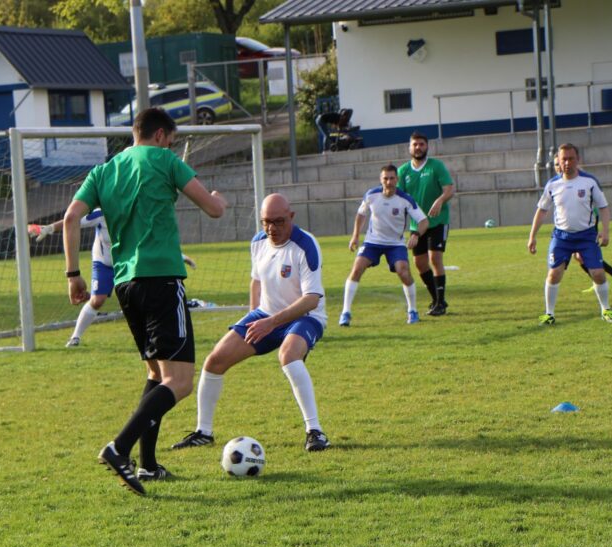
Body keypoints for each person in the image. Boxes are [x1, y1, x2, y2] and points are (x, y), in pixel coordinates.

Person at [62, 107, 226, 497]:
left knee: (156, 373)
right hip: (162, 278)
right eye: (170, 140)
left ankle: (148, 464)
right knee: (180, 382)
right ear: (160, 135)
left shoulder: (103, 171)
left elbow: (70, 218)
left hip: (125, 284)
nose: (170, 146)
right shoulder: (165, 160)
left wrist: (73, 274)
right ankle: (119, 448)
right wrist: (217, 197)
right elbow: (214, 209)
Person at [172, 193, 331, 453]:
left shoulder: (305, 245)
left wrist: (271, 323)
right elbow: (256, 281)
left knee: (288, 355)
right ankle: (203, 432)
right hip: (265, 314)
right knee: (215, 360)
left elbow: (312, 299)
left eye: (278, 221)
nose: (272, 228)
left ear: (291, 216)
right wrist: (252, 316)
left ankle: (315, 431)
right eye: (266, 222)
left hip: (305, 317)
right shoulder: (258, 242)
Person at [32, 214, 197, 348]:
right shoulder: (101, 213)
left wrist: (179, 256)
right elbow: (72, 220)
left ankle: (152, 333)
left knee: (140, 295)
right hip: (103, 263)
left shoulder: (136, 213)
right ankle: (75, 337)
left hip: (127, 262)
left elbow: (153, 241)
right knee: (97, 300)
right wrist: (49, 228)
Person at [527, 143, 612, 324]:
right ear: (559, 161)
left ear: (578, 159)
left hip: (586, 236)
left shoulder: (589, 182)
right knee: (554, 274)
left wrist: (605, 231)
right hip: (562, 237)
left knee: (598, 273)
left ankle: (606, 309)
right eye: (564, 159)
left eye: (570, 159)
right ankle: (549, 314)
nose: (567, 163)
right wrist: (532, 236)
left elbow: (603, 207)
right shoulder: (553, 184)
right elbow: (542, 210)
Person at [339, 164, 429, 326]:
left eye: (392, 178)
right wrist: (355, 236)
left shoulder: (405, 199)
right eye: (385, 178)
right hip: (372, 242)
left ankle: (413, 310)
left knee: (403, 271)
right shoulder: (371, 195)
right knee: (357, 268)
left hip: (396, 244)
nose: (389, 182)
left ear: (397, 179)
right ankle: (345, 312)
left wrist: (415, 234)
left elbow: (423, 221)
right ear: (380, 180)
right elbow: (361, 214)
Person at [397, 131, 455, 316]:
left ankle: (440, 303)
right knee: (420, 263)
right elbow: (399, 198)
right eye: (415, 144)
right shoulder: (403, 171)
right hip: (417, 226)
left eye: (421, 144)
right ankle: (437, 299)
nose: (418, 147)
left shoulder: (436, 166)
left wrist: (440, 200)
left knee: (435, 258)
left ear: (427, 146)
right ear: (409, 147)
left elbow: (449, 189)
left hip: (438, 222)